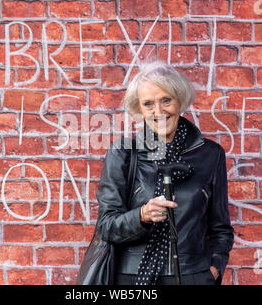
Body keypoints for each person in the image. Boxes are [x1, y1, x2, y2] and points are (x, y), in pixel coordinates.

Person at [95, 62, 234, 285]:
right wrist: (142, 215)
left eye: (166, 100)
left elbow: (220, 228)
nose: (158, 112)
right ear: (139, 109)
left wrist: (213, 269)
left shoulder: (210, 154)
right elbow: (106, 226)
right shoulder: (123, 153)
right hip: (133, 278)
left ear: (180, 100)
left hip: (193, 275)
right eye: (148, 104)